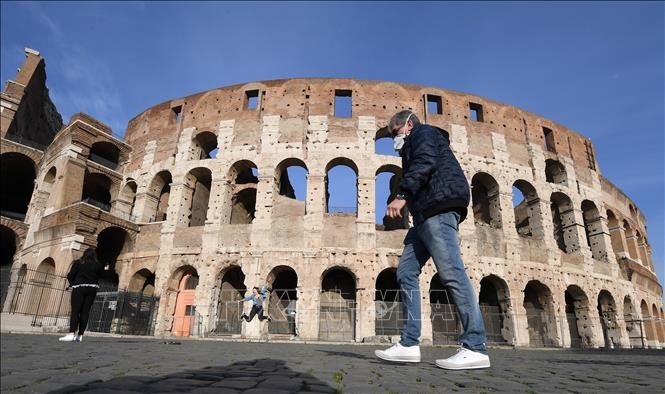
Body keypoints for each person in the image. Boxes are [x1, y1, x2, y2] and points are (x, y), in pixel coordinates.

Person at [374, 110, 490, 370]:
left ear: (408, 124)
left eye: (395, 132)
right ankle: (409, 344)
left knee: (451, 273)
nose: (394, 138)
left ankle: (475, 346)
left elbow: (425, 162)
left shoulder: (424, 133)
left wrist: (402, 194)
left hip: (438, 209)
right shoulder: (410, 146)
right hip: (424, 215)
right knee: (405, 272)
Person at [59, 248, 109, 342]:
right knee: (85, 312)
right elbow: (103, 276)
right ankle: (80, 335)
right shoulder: (98, 265)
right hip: (92, 288)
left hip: (79, 287)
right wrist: (106, 268)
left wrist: (72, 283)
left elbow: (71, 275)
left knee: (75, 311)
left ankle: (71, 334)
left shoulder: (78, 263)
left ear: (84, 254)